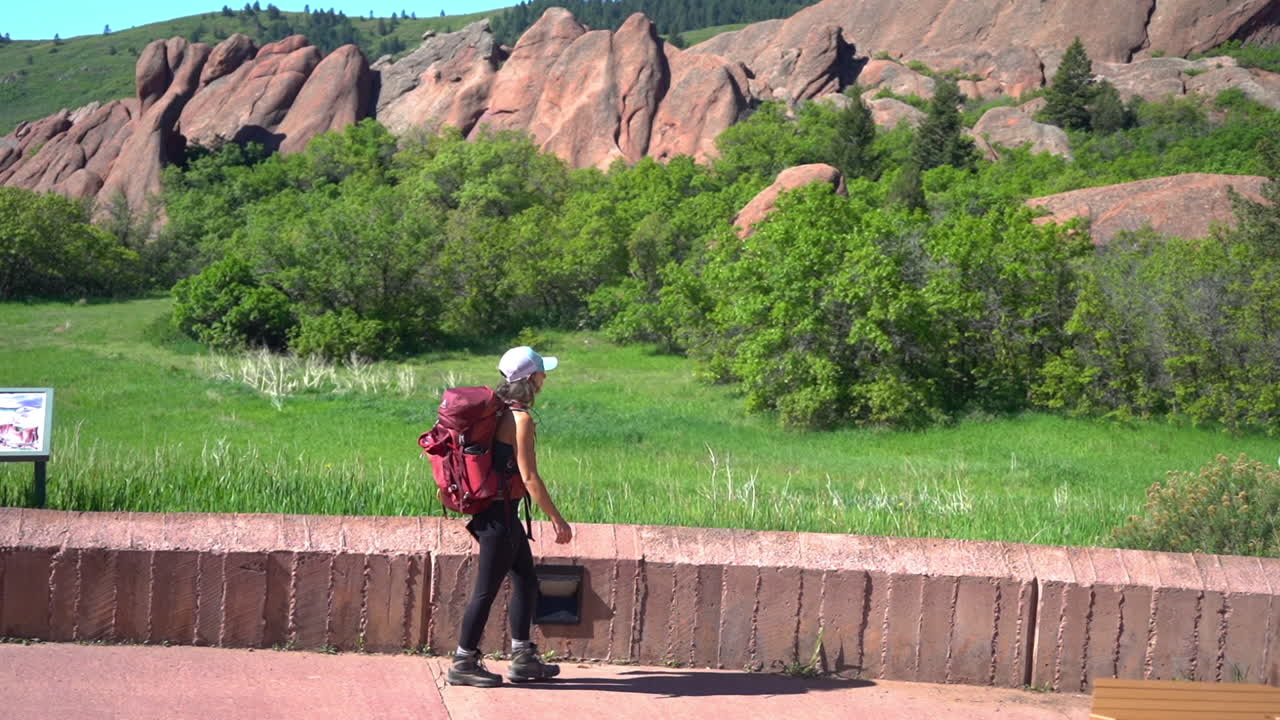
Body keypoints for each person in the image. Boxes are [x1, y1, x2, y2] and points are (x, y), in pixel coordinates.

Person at [447, 346, 574, 687]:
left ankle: (524, 657)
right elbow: (530, 477)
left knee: (527, 581)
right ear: (531, 378)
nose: (545, 377)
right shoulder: (520, 419)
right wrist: (558, 520)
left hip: (501, 514)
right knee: (485, 591)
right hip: (498, 517)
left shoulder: (498, 412)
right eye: (542, 372)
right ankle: (463, 661)